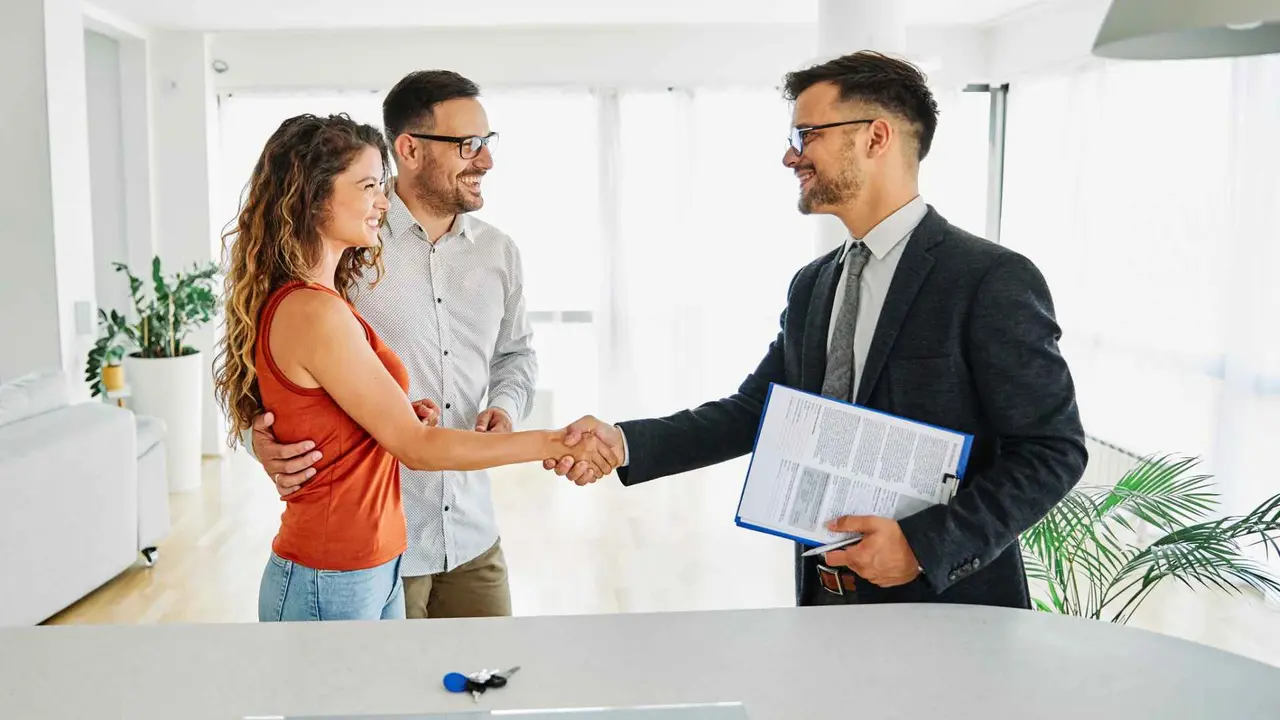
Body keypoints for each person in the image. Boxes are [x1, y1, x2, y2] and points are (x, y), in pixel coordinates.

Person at [545, 50, 1087, 609]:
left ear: (876, 137)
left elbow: (1053, 449)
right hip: (827, 593)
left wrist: (923, 546)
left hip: (948, 603)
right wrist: (625, 442)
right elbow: (759, 410)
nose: (789, 156)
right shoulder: (814, 284)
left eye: (807, 134)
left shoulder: (990, 278)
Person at [241, 71, 613, 620]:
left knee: (481, 695)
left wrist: (506, 408)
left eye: (488, 144)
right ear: (409, 149)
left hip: (470, 533)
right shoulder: (348, 248)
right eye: (468, 146)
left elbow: (516, 355)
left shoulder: (497, 253)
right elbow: (263, 366)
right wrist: (259, 437)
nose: (485, 161)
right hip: (380, 549)